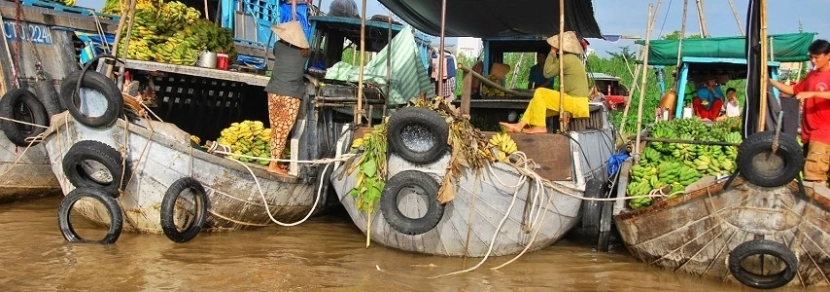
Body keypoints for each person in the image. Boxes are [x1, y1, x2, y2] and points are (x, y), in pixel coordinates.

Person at [499, 31, 589, 134]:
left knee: (540, 92)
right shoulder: (572, 59)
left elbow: (547, 73)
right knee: (534, 103)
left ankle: (540, 127)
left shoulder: (566, 59)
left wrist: (552, 52)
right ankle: (520, 125)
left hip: (575, 102)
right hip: (576, 102)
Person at [770, 39, 830, 185]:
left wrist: (812, 94)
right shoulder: (811, 75)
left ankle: (817, 207)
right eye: (811, 57)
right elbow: (793, 90)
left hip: (823, 132)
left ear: (828, 55)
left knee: (813, 174)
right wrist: (770, 81)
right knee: (811, 173)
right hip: (808, 132)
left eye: (817, 57)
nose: (813, 61)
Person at [263, 21, 310, 175]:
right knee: (284, 129)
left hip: (274, 92)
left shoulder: (278, 47)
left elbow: (278, 51)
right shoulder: (305, 52)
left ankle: (276, 161)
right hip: (290, 95)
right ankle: (273, 164)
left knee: (276, 127)